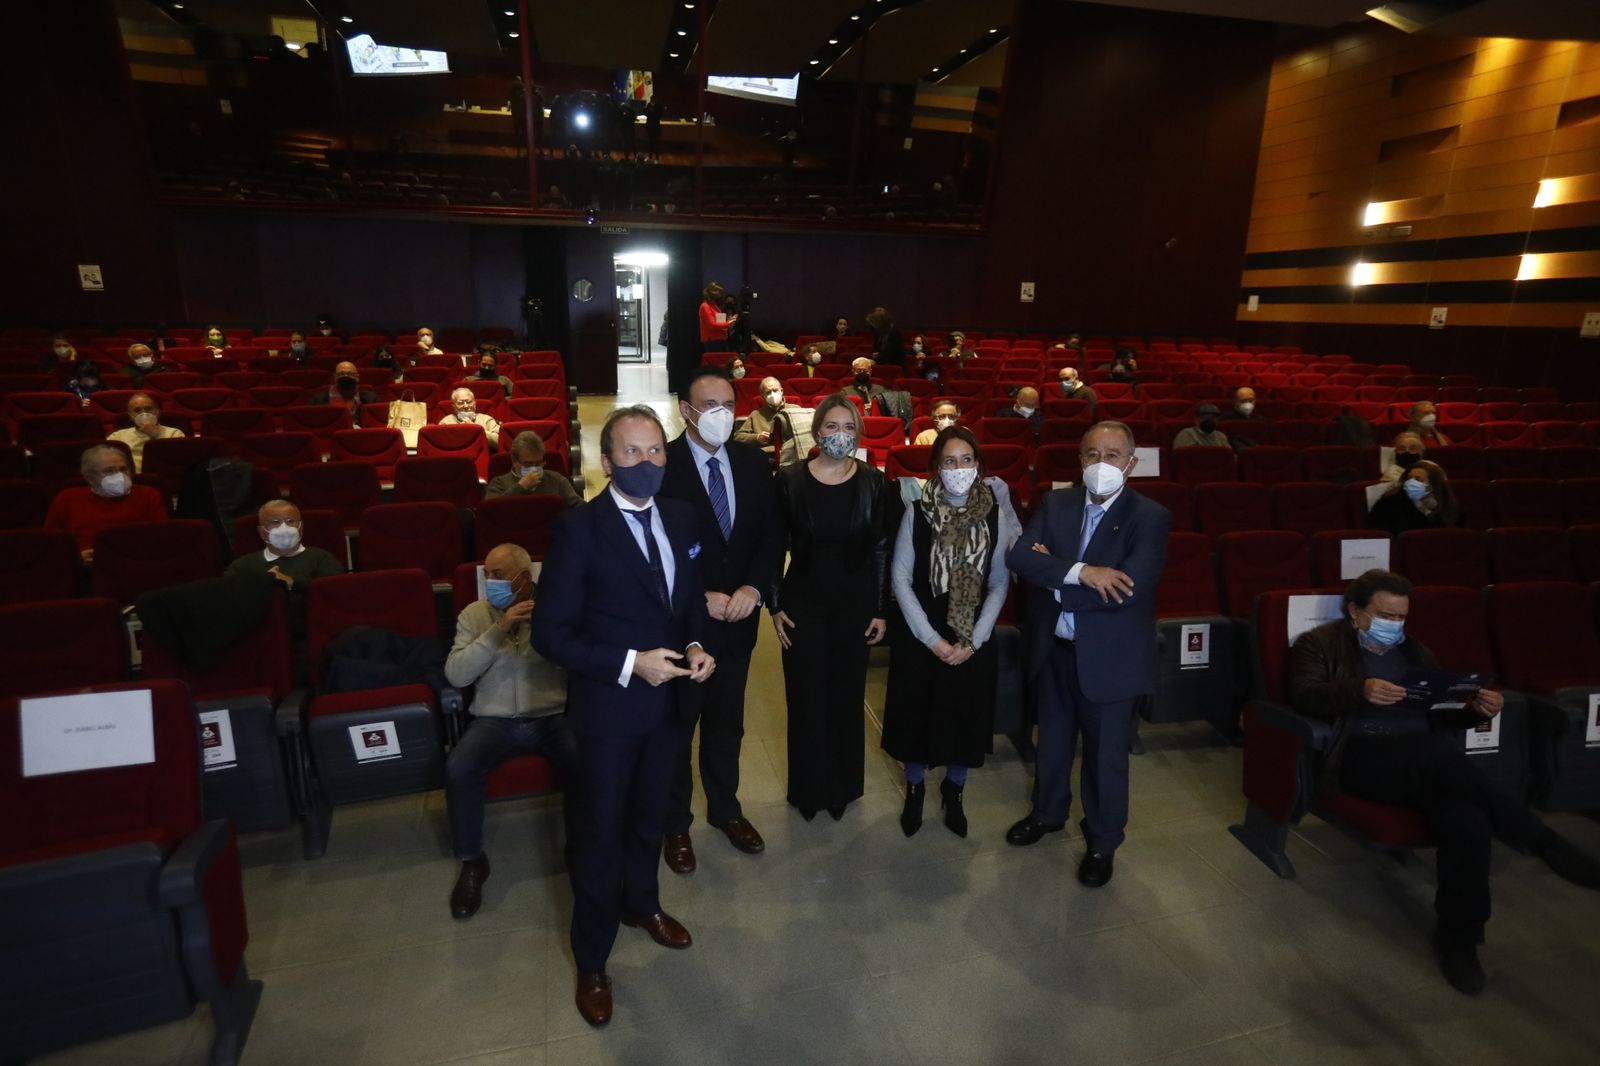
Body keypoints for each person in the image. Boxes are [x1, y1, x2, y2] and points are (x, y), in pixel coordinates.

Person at [1288, 569, 1600, 995]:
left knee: (1468, 822)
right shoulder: (1318, 644)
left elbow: (1444, 711)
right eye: (1385, 615)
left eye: (1401, 617)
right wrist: (1358, 689)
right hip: (1362, 757)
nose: (1395, 625)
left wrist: (1477, 711)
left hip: (1426, 757)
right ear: (1355, 612)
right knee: (1437, 754)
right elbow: (1302, 694)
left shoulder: (1415, 651)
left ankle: (1460, 941)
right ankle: (1542, 840)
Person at [529, 405, 714, 1029]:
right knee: (599, 834)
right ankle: (593, 961)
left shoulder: (683, 515)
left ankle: (644, 904)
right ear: (606, 463)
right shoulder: (578, 530)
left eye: (655, 450)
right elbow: (550, 635)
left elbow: (685, 600)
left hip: (668, 706)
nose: (647, 462)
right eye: (632, 453)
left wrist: (693, 644)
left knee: (650, 818)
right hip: (608, 712)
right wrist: (631, 662)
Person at [1004, 421, 1170, 890]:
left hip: (1111, 661)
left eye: (1113, 455)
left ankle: (1102, 843)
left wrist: (1054, 578)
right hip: (1053, 651)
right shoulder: (1056, 503)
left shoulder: (1150, 517)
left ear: (1131, 464)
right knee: (1051, 744)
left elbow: (1127, 590)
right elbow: (1019, 558)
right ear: (1079, 461)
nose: (1102, 464)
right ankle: (1047, 813)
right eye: (1091, 454)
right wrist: (1083, 572)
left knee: (1106, 759)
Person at [659, 369, 781, 873]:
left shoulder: (753, 463)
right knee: (679, 725)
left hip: (739, 619)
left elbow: (771, 536)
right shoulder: (664, 464)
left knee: (728, 722)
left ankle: (725, 810)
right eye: (709, 404)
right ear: (686, 410)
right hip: (685, 625)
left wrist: (754, 588)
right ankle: (675, 823)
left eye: (728, 403)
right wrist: (696, 596)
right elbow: (657, 548)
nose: (721, 414)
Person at [883, 428, 1018, 837]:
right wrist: (932, 639)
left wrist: (973, 640)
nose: (958, 469)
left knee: (965, 719)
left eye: (966, 460)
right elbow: (901, 580)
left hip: (972, 632)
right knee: (915, 718)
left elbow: (998, 583)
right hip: (921, 631)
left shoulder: (996, 513)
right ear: (936, 468)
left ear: (978, 466)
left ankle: (955, 790)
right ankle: (915, 787)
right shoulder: (917, 510)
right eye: (949, 462)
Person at [770, 394, 889, 821]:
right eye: (833, 427)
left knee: (845, 697)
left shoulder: (874, 482)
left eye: (849, 428)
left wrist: (879, 610)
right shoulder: (790, 480)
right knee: (805, 698)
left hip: (854, 605)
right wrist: (775, 604)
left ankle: (841, 788)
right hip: (803, 601)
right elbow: (773, 546)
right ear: (818, 431)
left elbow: (879, 549)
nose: (841, 435)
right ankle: (808, 789)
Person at [443, 542, 578, 920]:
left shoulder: (555, 608)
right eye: (486, 574)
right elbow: (456, 673)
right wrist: (497, 631)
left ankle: (579, 847)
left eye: (499, 575)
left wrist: (547, 631)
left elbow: (577, 662)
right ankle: (473, 861)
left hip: (550, 714)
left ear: (524, 578)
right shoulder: (475, 613)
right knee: (459, 767)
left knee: (583, 761)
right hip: (494, 719)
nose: (490, 582)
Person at [44, 444, 168, 560]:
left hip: (136, 561)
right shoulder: (67, 498)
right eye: (109, 471)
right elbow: (51, 542)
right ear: (89, 478)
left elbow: (162, 538)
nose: (119, 476)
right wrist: (77, 557)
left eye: (124, 469)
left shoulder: (148, 495)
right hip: (87, 567)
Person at [223, 499, 343, 598]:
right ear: (261, 532)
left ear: (301, 527)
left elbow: (334, 592)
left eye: (290, 521)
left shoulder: (322, 558)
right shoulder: (242, 566)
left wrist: (291, 583)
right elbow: (227, 595)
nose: (284, 527)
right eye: (275, 522)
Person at [486, 430, 582, 506]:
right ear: (514, 461)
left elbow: (579, 506)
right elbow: (491, 511)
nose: (534, 469)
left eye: (538, 463)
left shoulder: (556, 479)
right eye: (528, 464)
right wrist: (521, 487)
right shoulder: (498, 483)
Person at [1369, 459, 1458, 534]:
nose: (1411, 483)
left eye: (1418, 479)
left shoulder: (1446, 504)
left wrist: (1428, 511)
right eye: (1409, 478)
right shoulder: (1389, 502)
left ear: (1432, 485)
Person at [106, 392, 185, 473]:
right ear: (130, 416)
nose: (144, 413)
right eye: (137, 410)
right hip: (130, 478)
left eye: (148, 409)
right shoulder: (117, 436)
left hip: (163, 477)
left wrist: (157, 435)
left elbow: (178, 460)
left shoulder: (175, 433)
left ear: (157, 413)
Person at [309, 361, 380, 424]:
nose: (346, 376)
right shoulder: (319, 399)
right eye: (341, 374)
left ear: (357, 377)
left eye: (350, 374)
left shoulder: (370, 398)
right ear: (335, 377)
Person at [733, 376, 788, 452]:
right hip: (768, 455)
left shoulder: (795, 409)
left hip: (792, 453)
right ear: (763, 396)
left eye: (775, 390)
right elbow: (738, 437)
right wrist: (757, 437)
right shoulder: (756, 415)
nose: (772, 395)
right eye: (768, 392)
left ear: (781, 391)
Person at [699, 282, 734, 357]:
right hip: (713, 341)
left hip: (719, 339)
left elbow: (718, 321)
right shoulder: (705, 306)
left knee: (722, 363)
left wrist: (728, 321)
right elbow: (712, 325)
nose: (721, 297)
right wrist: (728, 323)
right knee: (716, 364)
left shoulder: (713, 306)